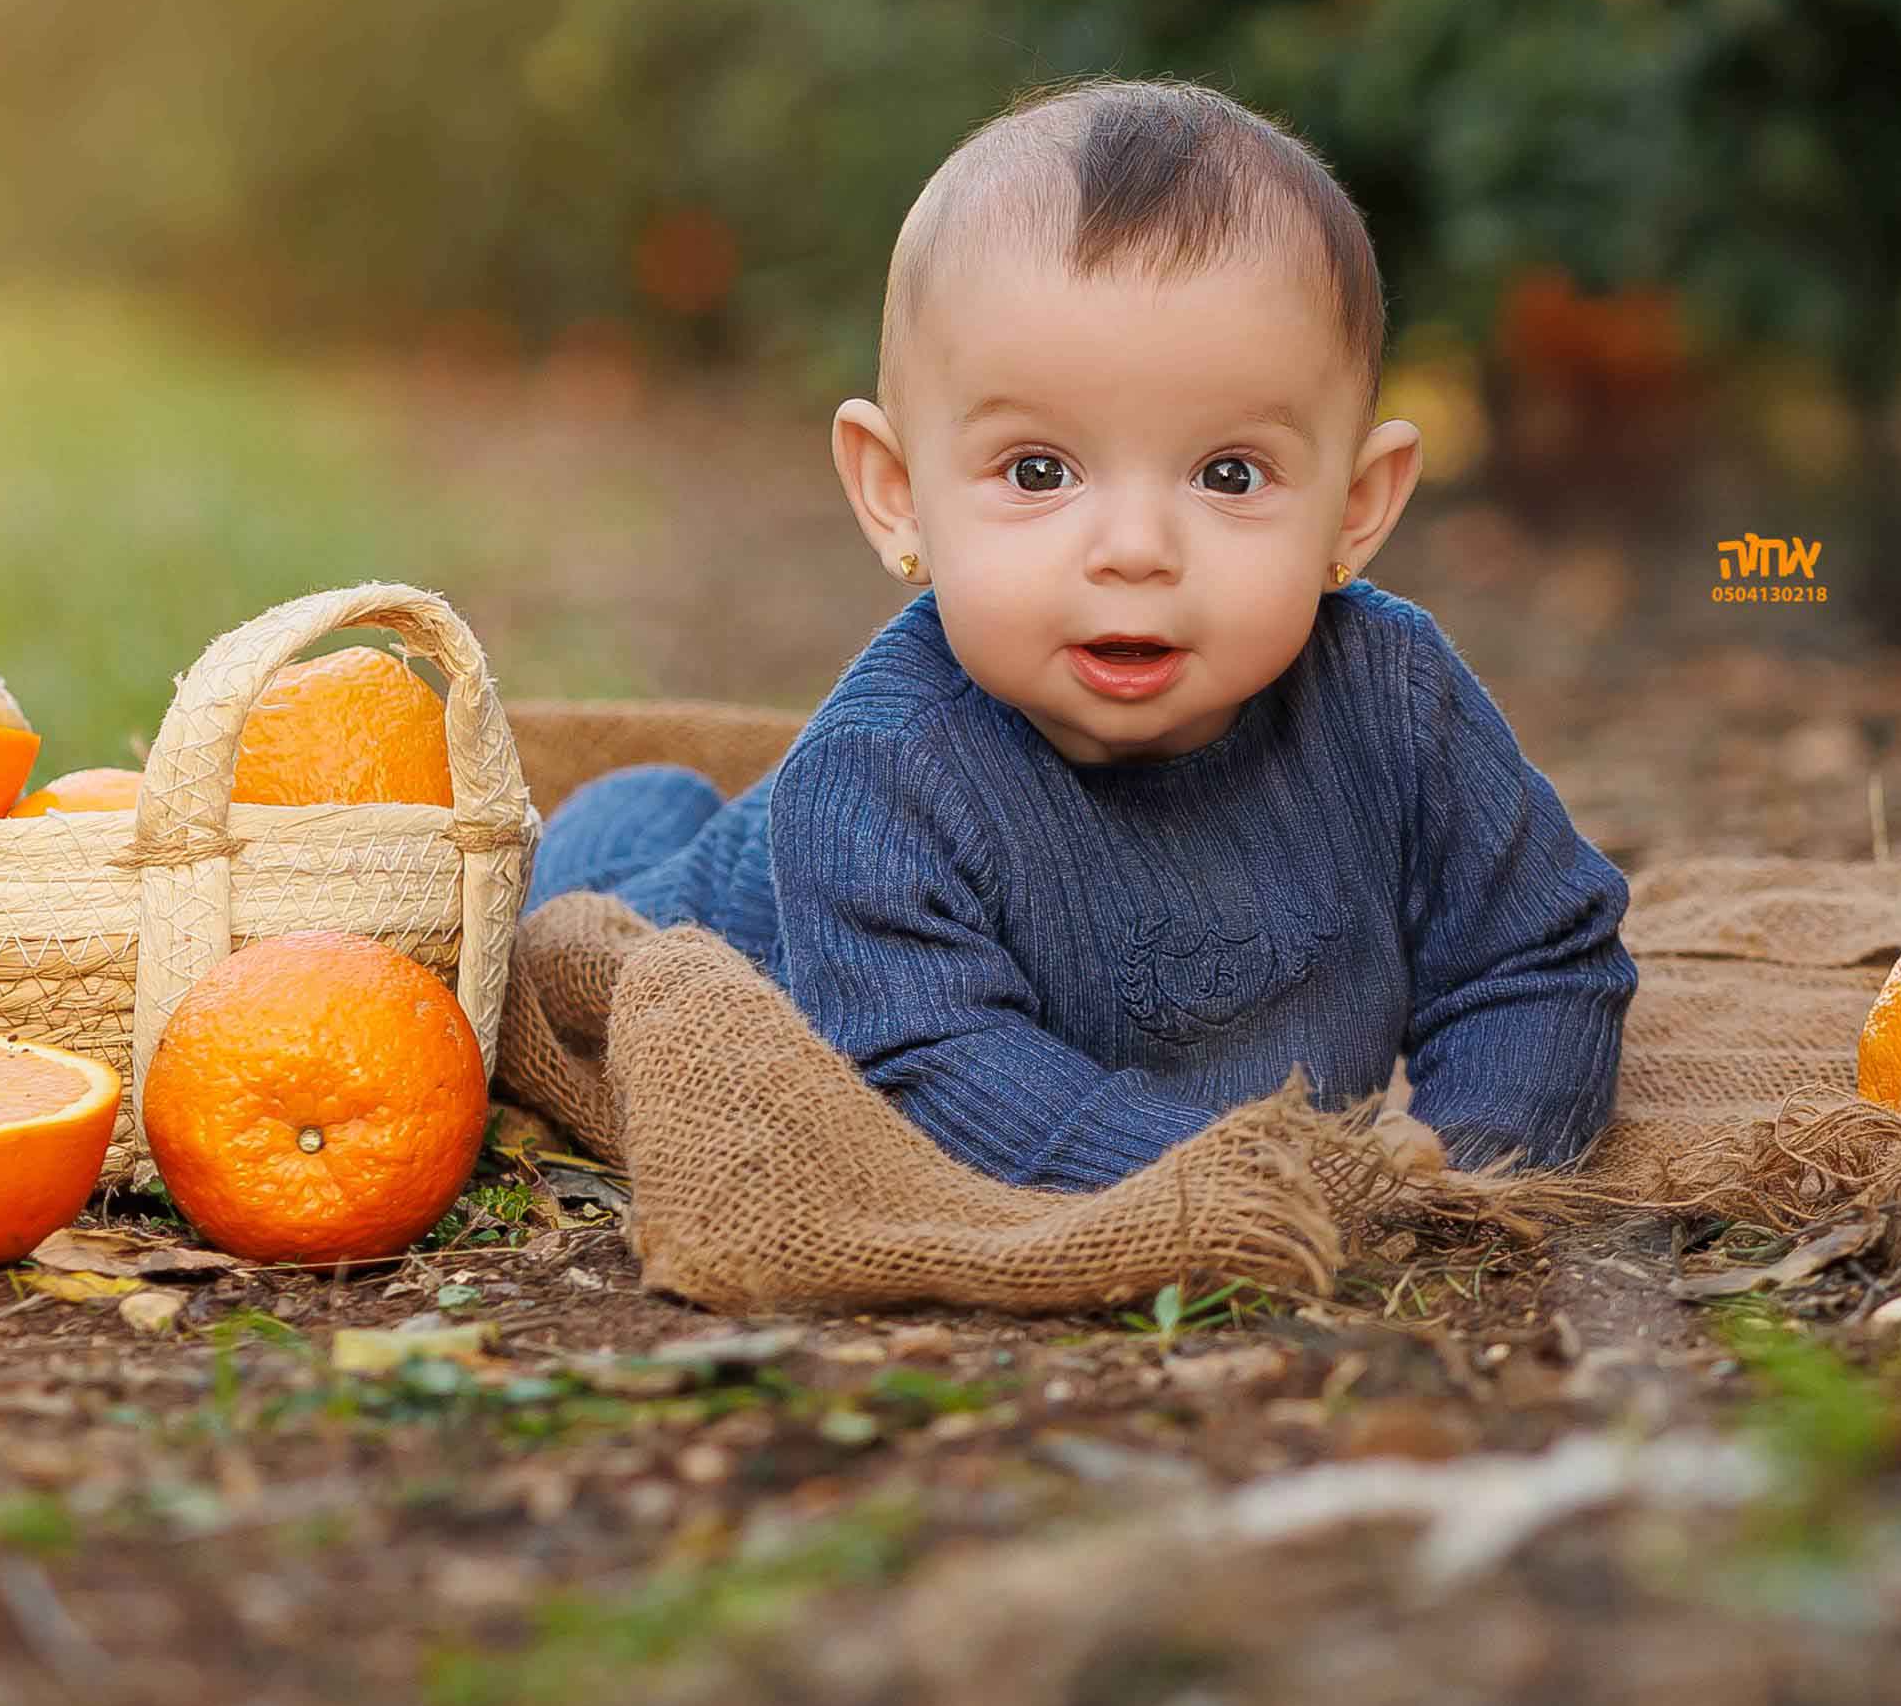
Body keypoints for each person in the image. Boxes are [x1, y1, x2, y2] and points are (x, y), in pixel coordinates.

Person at [529, 76, 1637, 1192]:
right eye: (1039, 472)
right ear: (898, 495)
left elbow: (1537, 959)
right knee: (594, 898)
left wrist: (1464, 1156)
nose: (1134, 548)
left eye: (1228, 473)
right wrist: (1248, 1180)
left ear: (1355, 507)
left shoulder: (1394, 699)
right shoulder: (880, 775)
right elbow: (934, 1071)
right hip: (730, 913)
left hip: (1249, 1131)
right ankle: (619, 817)